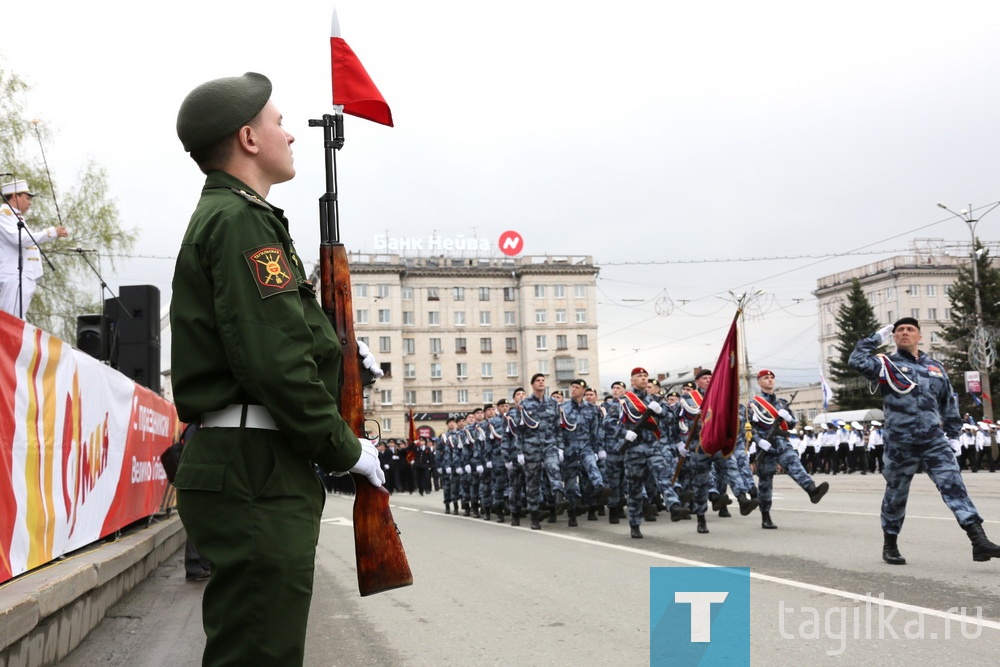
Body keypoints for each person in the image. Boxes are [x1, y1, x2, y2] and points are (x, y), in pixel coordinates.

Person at [169, 72, 386, 665]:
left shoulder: (242, 216)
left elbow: (286, 344)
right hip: (254, 467)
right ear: (248, 138)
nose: (290, 135)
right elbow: (276, 362)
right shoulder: (241, 222)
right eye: (278, 122)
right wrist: (345, 448)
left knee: (261, 641)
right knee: (261, 651)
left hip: (257, 459)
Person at [849, 317, 1000, 565]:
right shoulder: (885, 366)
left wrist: (953, 436)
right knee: (896, 495)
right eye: (899, 331)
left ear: (920, 336)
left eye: (910, 330)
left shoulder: (936, 368)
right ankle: (890, 545)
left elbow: (948, 403)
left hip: (933, 440)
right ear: (894, 337)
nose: (904, 333)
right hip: (900, 443)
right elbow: (855, 360)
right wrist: (876, 338)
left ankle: (979, 541)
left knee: (954, 486)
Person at [746, 370, 829, 529]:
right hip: (766, 447)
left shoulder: (782, 403)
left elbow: (792, 424)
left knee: (795, 464)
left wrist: (789, 418)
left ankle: (812, 490)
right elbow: (749, 429)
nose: (770, 380)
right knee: (765, 483)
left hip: (782, 443)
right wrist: (759, 441)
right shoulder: (753, 404)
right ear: (759, 382)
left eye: (772, 378)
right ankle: (766, 516)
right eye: (766, 378)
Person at [0, 179, 68, 318]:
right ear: (14, 196)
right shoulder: (4, 215)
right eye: (27, 198)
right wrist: (50, 232)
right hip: (14, 274)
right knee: (12, 319)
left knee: (18, 319)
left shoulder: (15, 217)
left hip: (23, 274)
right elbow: (20, 239)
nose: (29, 202)